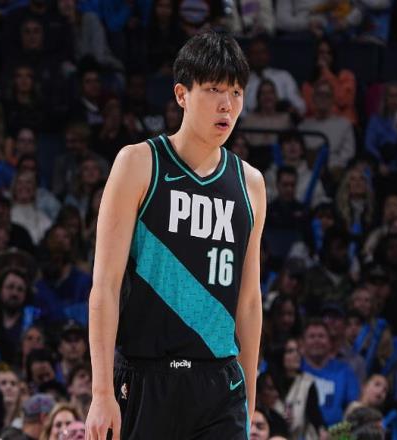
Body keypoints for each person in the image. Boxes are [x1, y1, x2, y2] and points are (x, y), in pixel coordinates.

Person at [86, 32, 265, 439]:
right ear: (182, 94)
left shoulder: (251, 183)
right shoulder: (138, 163)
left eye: (236, 92)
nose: (227, 104)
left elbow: (250, 301)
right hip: (146, 377)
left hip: (220, 386)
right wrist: (101, 392)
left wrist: (249, 402)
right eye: (214, 89)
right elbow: (105, 286)